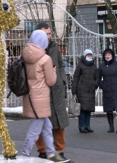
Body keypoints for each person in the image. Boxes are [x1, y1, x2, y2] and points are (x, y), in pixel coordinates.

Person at [21, 30, 70, 163]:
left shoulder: (26, 55)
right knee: (34, 130)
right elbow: (50, 81)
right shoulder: (45, 58)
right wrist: (53, 72)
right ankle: (24, 155)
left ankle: (51, 153)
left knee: (47, 127)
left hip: (30, 96)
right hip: (42, 98)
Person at [34, 22, 70, 160]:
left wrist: (61, 80)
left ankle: (59, 150)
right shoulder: (33, 49)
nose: (48, 36)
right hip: (41, 90)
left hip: (56, 89)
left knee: (60, 121)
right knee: (41, 122)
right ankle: (42, 150)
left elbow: (61, 64)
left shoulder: (54, 48)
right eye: (45, 34)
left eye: (49, 33)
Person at [98, 48, 117, 133]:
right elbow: (98, 78)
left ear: (112, 55)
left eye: (109, 55)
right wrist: (102, 86)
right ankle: (111, 127)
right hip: (107, 90)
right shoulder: (102, 66)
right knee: (109, 109)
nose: (107, 56)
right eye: (106, 55)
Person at [72, 49, 99, 133]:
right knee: (82, 109)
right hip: (81, 90)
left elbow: (97, 77)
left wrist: (95, 84)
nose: (89, 57)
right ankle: (82, 126)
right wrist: (74, 90)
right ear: (84, 56)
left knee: (89, 109)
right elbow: (75, 78)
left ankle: (87, 126)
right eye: (88, 55)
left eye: (90, 55)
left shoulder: (94, 66)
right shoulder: (80, 65)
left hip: (90, 90)